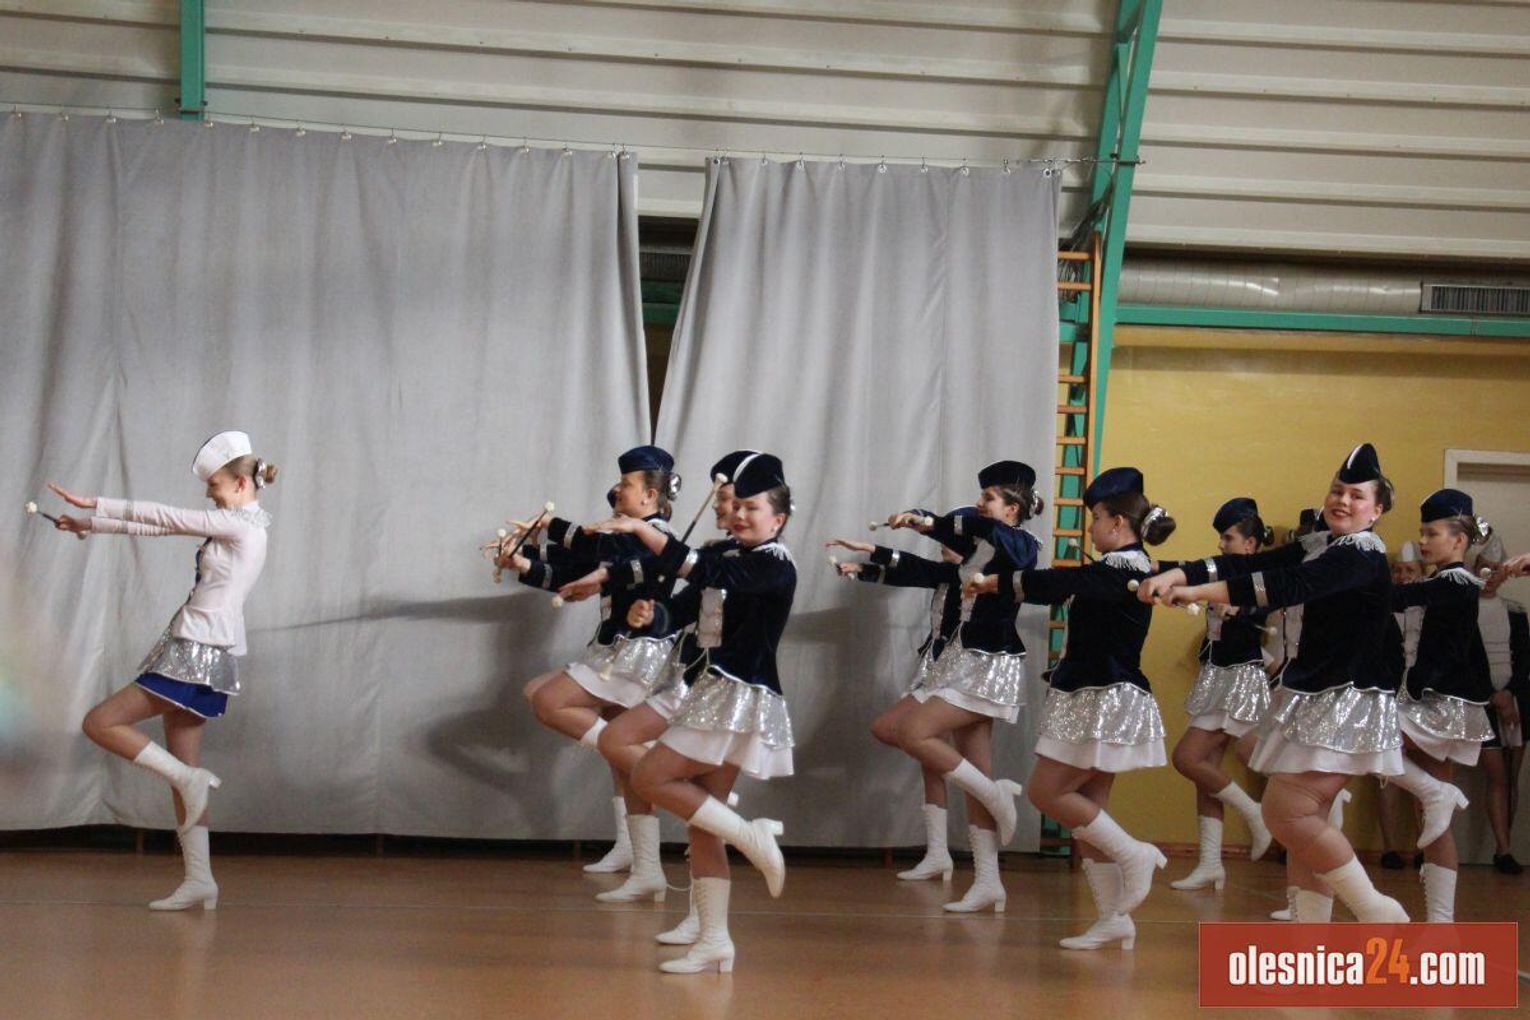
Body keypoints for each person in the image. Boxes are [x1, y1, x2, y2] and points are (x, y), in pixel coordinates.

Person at [1141, 444, 1409, 923]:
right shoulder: (1324, 543)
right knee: (1304, 822)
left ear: (1377, 511)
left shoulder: (1361, 554)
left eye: (1356, 496)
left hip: (1346, 698)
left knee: (1287, 813)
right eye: (1337, 491)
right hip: (1315, 692)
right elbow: (1249, 565)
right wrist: (1178, 571)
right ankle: (1310, 938)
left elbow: (1285, 587)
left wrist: (1195, 589)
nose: (1343, 501)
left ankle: (1375, 908)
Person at [54, 430, 276, 911]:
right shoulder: (238, 524)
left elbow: (168, 517)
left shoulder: (242, 527)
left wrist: (96, 502)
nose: (208, 494)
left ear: (241, 483)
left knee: (100, 722)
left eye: (214, 485)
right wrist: (91, 524)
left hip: (196, 648)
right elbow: (158, 529)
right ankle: (200, 879)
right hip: (209, 649)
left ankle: (188, 783)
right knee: (185, 771)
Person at [977, 466, 1173, 949]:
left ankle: (1134, 854)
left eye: (1096, 519)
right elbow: (1069, 584)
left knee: (1046, 792)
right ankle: (1113, 918)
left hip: (1104, 697)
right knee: (1090, 813)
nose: (1090, 529)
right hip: (1092, 695)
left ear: (1118, 523)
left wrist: (996, 583)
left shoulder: (1123, 570)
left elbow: (1058, 583)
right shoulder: (1121, 568)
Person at [1169, 497, 1276, 893]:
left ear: (1250, 543)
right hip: (1217, 675)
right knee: (1206, 771)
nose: (1221, 544)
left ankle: (1257, 813)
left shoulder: (1260, 576)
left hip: (1241, 677)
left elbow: (1265, 607)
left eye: (1228, 538)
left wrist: (1242, 610)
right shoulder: (1222, 572)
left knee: (1188, 758)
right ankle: (1211, 863)